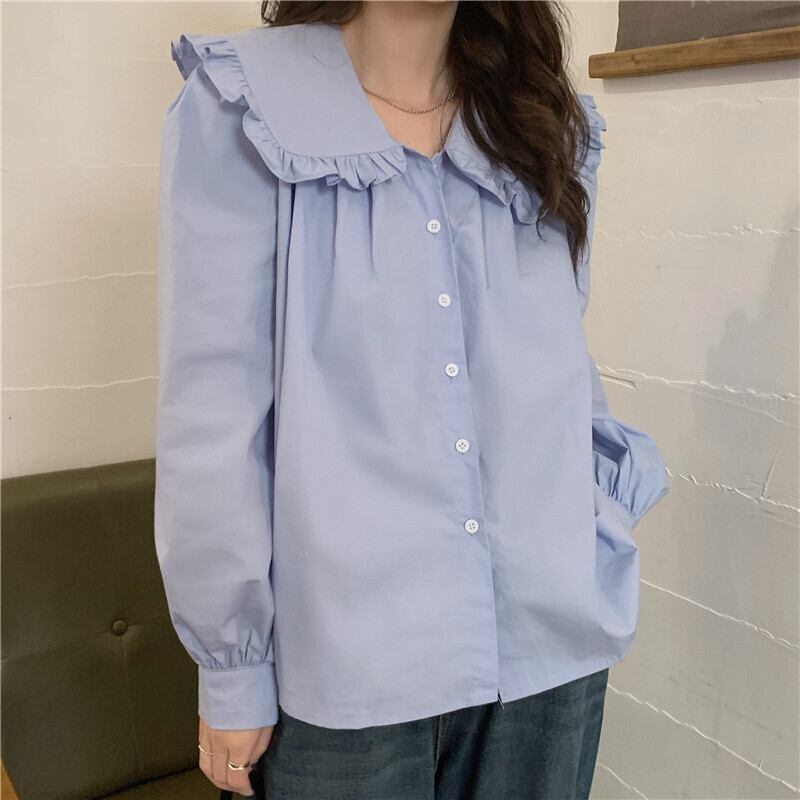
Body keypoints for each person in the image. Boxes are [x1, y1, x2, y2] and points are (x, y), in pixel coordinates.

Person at [154, 1, 669, 798]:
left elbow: (559, 355)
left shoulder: (539, 117)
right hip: (348, 673)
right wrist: (233, 668)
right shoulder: (244, 107)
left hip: (548, 645)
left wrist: (593, 517)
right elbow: (214, 416)